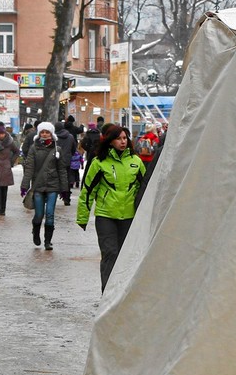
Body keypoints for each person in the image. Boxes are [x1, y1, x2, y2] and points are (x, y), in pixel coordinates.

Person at [78, 125, 145, 289]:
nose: (123, 142)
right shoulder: (99, 162)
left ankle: (121, 292)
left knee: (124, 255)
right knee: (110, 253)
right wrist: (82, 216)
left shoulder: (136, 162)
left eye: (125, 138)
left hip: (128, 216)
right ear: (110, 141)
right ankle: (107, 292)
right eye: (119, 138)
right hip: (105, 215)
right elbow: (88, 190)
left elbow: (145, 190)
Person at [21, 122, 69, 250]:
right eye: (42, 132)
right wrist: (25, 185)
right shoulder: (34, 148)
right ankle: (36, 231)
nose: (44, 134)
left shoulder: (57, 150)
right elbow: (29, 167)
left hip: (53, 186)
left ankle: (48, 241)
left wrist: (64, 189)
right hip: (38, 185)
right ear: (39, 133)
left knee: (50, 214)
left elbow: (62, 170)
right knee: (39, 214)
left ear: (51, 133)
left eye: (47, 132)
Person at [0, 122, 19, 217]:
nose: (1, 135)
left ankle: (3, 210)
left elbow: (16, 151)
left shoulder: (10, 142)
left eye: (2, 133)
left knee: (4, 190)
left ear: (5, 133)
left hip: (6, 167)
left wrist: (11, 162)